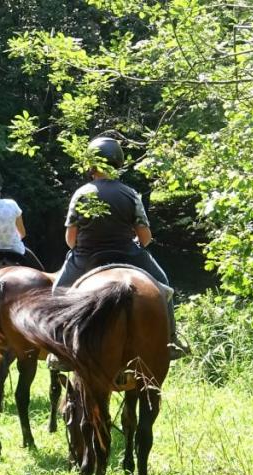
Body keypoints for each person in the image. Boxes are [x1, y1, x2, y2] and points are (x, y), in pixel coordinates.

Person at [53, 137, 189, 361]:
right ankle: (171, 340)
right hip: (128, 254)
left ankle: (58, 351)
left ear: (91, 164)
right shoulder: (130, 194)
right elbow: (145, 237)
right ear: (118, 163)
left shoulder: (81, 193)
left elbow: (70, 239)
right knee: (164, 287)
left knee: (57, 292)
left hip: (87, 257)